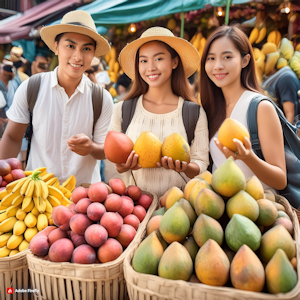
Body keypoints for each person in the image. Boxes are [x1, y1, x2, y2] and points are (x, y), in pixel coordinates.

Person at [0, 10, 113, 185]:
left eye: (86, 49)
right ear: (56, 47)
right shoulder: (32, 87)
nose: (77, 56)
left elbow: (104, 150)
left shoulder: (102, 98)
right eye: (70, 46)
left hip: (84, 200)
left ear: (93, 54)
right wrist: (4, 180)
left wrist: (91, 147)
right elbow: (12, 137)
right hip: (36, 194)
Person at [110, 27, 210, 198]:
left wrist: (184, 167)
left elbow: (201, 164)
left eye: (158, 58)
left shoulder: (193, 112)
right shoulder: (122, 110)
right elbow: (117, 165)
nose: (151, 67)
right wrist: (124, 165)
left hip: (179, 210)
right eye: (143, 61)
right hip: (135, 212)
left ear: (174, 62)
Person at [200, 25, 287, 192]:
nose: (217, 65)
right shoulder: (210, 109)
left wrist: (249, 158)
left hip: (257, 211)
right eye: (211, 58)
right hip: (220, 212)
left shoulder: (261, 107)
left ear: (245, 61)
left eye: (227, 57)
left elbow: (280, 179)